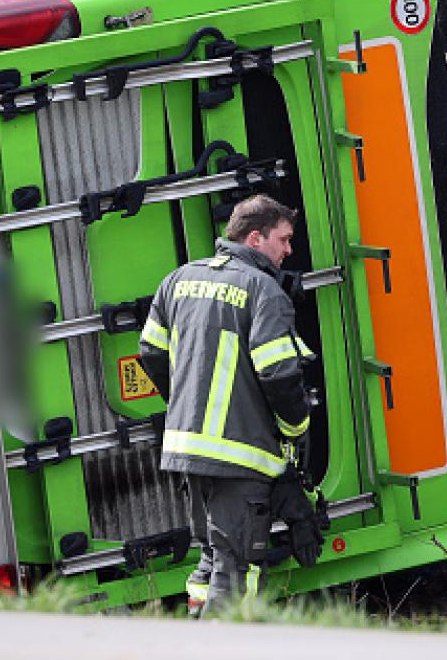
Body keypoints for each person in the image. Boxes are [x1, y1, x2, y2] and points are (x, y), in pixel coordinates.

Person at [139, 194, 315, 616]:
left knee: (211, 562)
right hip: (238, 455)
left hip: (187, 451)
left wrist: (185, 401)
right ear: (255, 238)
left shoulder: (178, 279)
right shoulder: (263, 289)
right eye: (284, 240)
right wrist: (296, 429)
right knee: (238, 572)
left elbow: (150, 351)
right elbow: (279, 373)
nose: (288, 251)